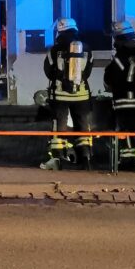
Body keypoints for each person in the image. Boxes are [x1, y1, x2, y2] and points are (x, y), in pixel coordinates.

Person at [41, 18, 94, 170]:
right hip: (82, 95)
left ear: (60, 31)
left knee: (59, 127)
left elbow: (48, 72)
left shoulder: (53, 50)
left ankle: (58, 158)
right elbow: (88, 71)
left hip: (60, 96)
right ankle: (85, 159)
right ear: (75, 30)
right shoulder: (87, 49)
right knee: (83, 126)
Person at [103, 20, 135, 170]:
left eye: (115, 38)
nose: (113, 42)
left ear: (120, 39)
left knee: (127, 131)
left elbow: (112, 78)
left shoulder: (120, 57)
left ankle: (128, 162)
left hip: (124, 100)